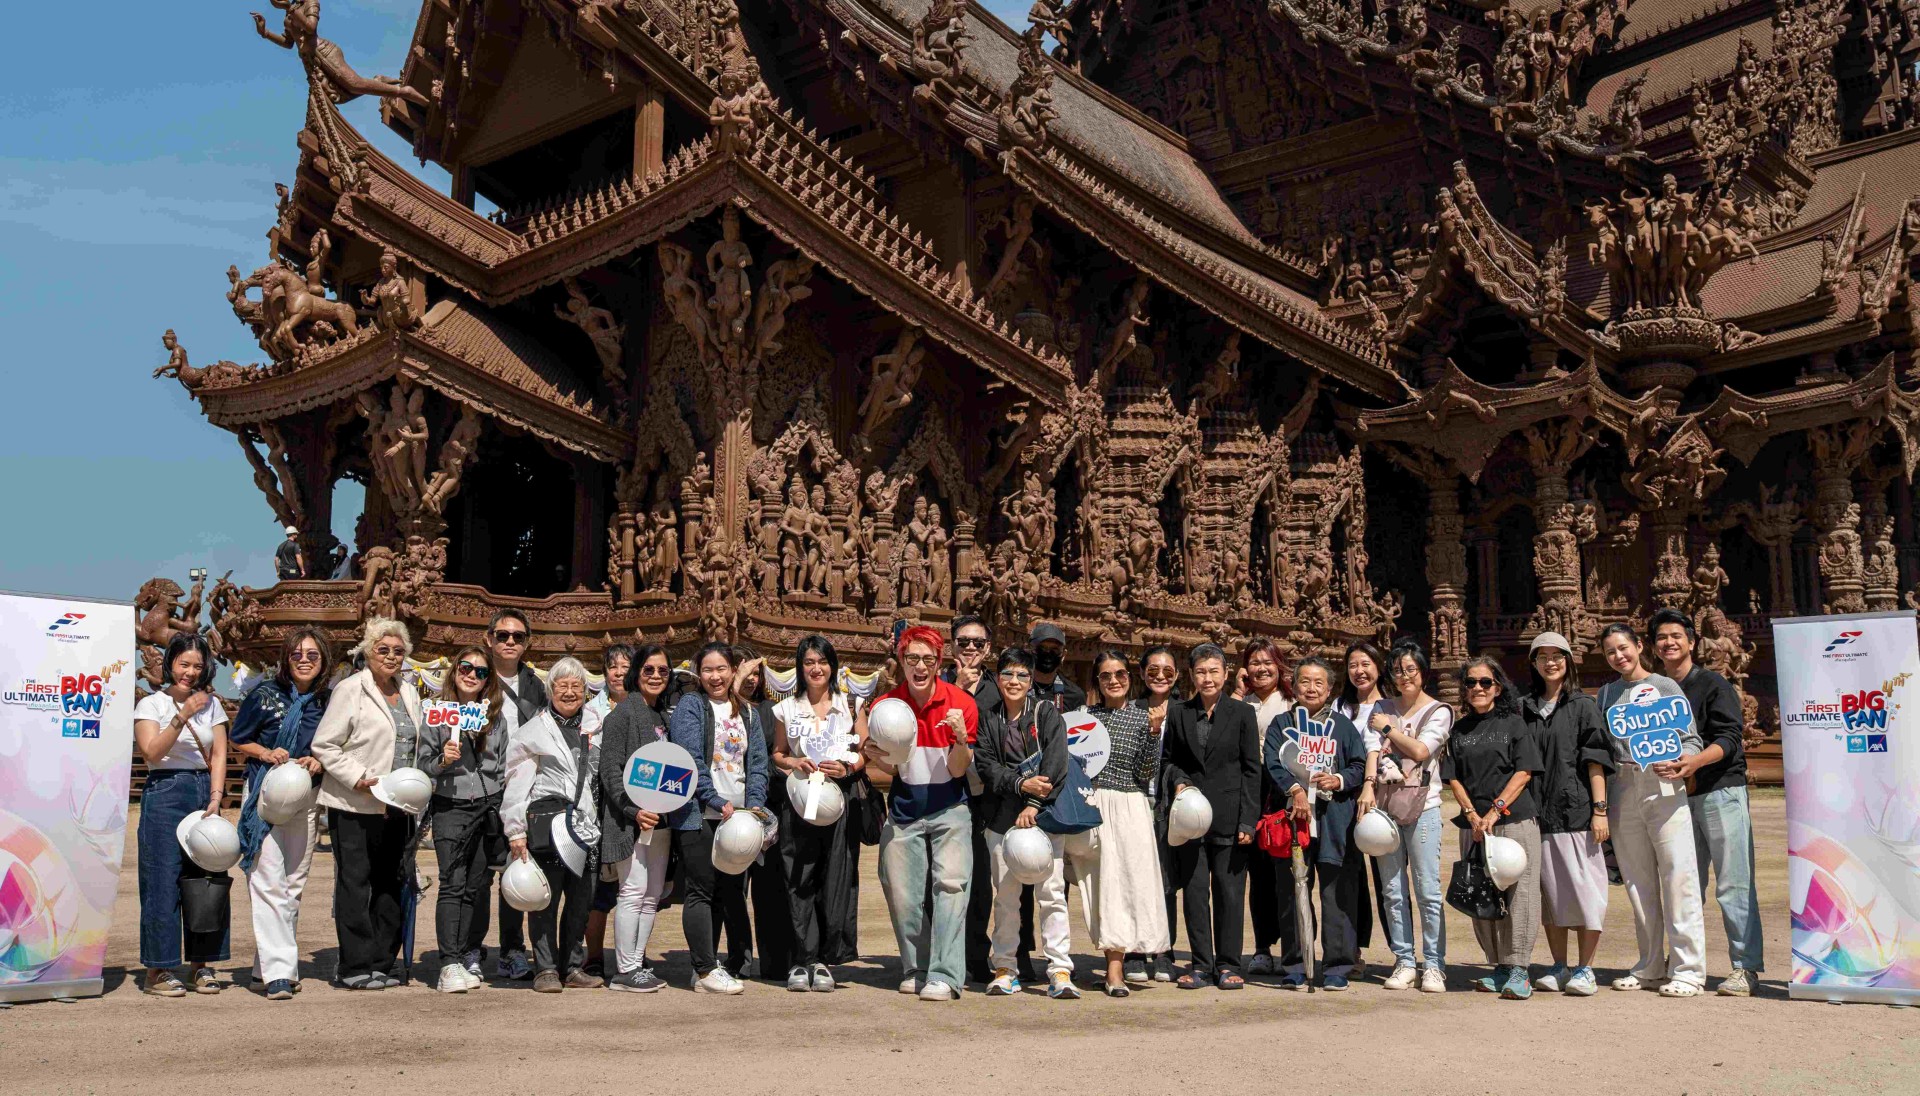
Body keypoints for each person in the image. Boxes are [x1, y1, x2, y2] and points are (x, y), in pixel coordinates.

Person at [311, 617, 438, 990]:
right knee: (355, 882)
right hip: (355, 802)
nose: (391, 656)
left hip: (399, 804)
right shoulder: (350, 689)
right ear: (368, 652)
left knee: (390, 882)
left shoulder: (410, 692)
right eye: (383, 649)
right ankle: (354, 966)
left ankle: (382, 961)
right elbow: (324, 744)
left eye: (399, 651)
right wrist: (357, 777)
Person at [1649, 607, 1762, 996]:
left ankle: (1745, 967)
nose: (1669, 643)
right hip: (1677, 798)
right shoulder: (1656, 691)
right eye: (1661, 638)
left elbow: (1730, 738)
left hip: (1720, 791)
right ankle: (1685, 962)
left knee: (1733, 883)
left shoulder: (1713, 684)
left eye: (1676, 636)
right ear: (1653, 647)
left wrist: (1693, 762)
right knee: (1684, 883)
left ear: (1691, 641)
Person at [864, 625, 977, 1001]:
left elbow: (958, 770)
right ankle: (917, 967)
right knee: (901, 891)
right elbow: (893, 769)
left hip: (950, 806)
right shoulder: (886, 707)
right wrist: (877, 756)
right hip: (905, 808)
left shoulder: (961, 703)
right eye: (912, 658)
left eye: (929, 659)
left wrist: (959, 738)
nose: (920, 666)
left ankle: (945, 975)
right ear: (901, 660)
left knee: (951, 888)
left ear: (940, 662)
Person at [1597, 622, 1708, 997]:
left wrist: (1682, 760)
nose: (1619, 656)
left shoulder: (1665, 687)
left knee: (1678, 874)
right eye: (1611, 652)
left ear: (1639, 646)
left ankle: (1688, 970)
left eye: (1623, 648)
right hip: (1623, 784)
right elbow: (1604, 746)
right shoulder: (1607, 694)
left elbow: (1690, 738)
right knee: (1636, 879)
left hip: (1664, 782)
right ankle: (1650, 965)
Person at [229, 629, 331, 1001]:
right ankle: (280, 974)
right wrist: (265, 752)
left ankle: (265, 969)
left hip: (306, 796)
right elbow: (239, 737)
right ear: (286, 659)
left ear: (323, 660)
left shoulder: (328, 701)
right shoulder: (264, 695)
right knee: (267, 879)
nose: (304, 660)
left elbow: (337, 743)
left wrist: (319, 760)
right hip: (266, 793)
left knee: (293, 884)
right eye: (296, 654)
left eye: (312, 655)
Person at [666, 642, 770, 994]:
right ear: (699, 673)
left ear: (732, 670)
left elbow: (758, 763)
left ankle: (707, 964)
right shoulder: (691, 706)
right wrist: (713, 798)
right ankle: (705, 970)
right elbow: (689, 759)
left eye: (721, 669)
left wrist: (754, 805)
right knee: (700, 889)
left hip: (738, 819)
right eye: (707, 669)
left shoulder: (747, 712)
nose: (715, 676)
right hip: (700, 814)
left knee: (727, 891)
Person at [973, 647, 1077, 998]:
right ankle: (1005, 967)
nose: (1014, 681)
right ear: (998, 678)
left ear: (1031, 681)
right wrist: (1020, 784)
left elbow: (1057, 762)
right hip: (1001, 819)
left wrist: (1033, 803)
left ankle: (1059, 969)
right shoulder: (989, 718)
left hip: (1044, 816)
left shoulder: (1046, 713)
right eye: (1008, 674)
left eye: (1022, 675)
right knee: (1006, 897)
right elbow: (987, 766)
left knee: (1052, 894)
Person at [133, 633, 231, 997]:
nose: (190, 672)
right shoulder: (151, 704)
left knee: (206, 878)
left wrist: (216, 798)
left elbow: (219, 753)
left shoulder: (213, 705)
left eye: (197, 666)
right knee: (161, 880)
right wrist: (183, 714)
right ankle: (158, 969)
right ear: (170, 663)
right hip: (165, 790)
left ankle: (201, 965)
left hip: (203, 790)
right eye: (183, 664)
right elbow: (152, 753)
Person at [1442, 655, 1544, 1000]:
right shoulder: (1459, 730)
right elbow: (1453, 777)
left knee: (1520, 893)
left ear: (1498, 688)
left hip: (1514, 820)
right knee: (1481, 891)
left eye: (1485, 682)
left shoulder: (1513, 724)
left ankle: (1519, 968)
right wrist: (1472, 814)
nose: (1478, 688)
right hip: (1474, 825)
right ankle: (1499, 966)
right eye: (1471, 682)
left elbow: (1524, 772)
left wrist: (1495, 811)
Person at [770, 635, 867, 992]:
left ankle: (825, 959)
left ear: (833, 666)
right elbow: (778, 753)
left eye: (822, 661)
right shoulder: (786, 708)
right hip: (800, 799)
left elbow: (864, 751)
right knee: (800, 876)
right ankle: (802, 959)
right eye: (809, 662)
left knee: (835, 877)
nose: (816, 668)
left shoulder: (850, 703)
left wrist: (848, 767)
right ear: (800, 667)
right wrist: (793, 762)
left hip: (839, 800)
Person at [1162, 643, 1260, 990]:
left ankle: (1229, 964)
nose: (1208, 678)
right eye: (1201, 671)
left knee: (1229, 893)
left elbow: (1252, 770)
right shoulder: (1179, 713)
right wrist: (1180, 781)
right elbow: (1169, 760)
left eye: (1214, 671)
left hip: (1230, 818)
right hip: (1190, 817)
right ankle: (1202, 964)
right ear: (1191, 675)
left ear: (1226, 673)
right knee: (1194, 892)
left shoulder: (1242, 713)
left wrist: (1248, 821)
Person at [502, 658, 602, 992]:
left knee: (581, 900)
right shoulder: (533, 732)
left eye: (577, 686)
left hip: (585, 827)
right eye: (563, 686)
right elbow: (517, 784)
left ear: (586, 691)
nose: (570, 692)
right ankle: (545, 968)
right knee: (545, 897)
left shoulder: (596, 726)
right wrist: (515, 830)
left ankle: (571, 966)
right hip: (549, 826)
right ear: (550, 690)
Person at [1522, 631, 1612, 998]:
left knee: (1586, 891)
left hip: (1575, 812)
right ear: (1533, 663)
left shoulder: (1583, 705)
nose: (1550, 662)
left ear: (1568, 660)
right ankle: (1559, 966)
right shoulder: (1524, 707)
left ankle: (1585, 968)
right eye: (1542, 656)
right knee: (1551, 895)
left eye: (1557, 655)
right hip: (1536, 815)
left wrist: (1600, 810)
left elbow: (1596, 759)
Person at [1268, 657, 1366, 991]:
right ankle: (1297, 963)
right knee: (1291, 890)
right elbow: (1273, 762)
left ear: (1329, 689)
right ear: (1294, 686)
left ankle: (1338, 965)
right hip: (1293, 819)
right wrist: (1295, 789)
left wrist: (1338, 779)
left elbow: (1358, 764)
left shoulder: (1342, 726)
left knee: (1337, 892)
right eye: (1305, 682)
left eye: (1318, 682)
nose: (1311, 688)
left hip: (1334, 819)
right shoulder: (1282, 724)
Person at [1080, 649, 1170, 997]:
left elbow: (1145, 773)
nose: (1114, 681)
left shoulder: (1143, 717)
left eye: (1120, 674)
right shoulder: (1085, 717)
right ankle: (1111, 969)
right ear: (1097, 681)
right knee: (1102, 886)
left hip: (1131, 805)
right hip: (1094, 804)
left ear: (1129, 679)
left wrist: (1154, 731)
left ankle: (1116, 968)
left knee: (1130, 884)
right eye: (1106, 675)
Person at [1368, 640, 1453, 994]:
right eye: (1397, 671)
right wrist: (1368, 785)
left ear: (1423, 672)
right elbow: (1372, 750)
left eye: (1410, 669)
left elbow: (1420, 751)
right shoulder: (1382, 706)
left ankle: (1433, 964)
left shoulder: (1438, 711)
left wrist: (1388, 729)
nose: (1404, 677)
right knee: (1392, 890)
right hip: (1384, 808)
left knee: (1427, 889)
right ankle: (1404, 961)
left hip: (1424, 807)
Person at [426, 644, 508, 992]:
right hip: (451, 804)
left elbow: (501, 766)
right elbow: (422, 765)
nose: (472, 675)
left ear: (488, 680)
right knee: (452, 883)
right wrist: (444, 759)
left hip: (487, 806)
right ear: (455, 670)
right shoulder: (437, 712)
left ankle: (465, 956)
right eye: (466, 667)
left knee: (476, 885)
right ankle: (448, 964)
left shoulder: (496, 718)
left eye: (481, 671)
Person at [596, 644, 678, 992]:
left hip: (660, 819)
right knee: (632, 890)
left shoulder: (663, 717)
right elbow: (610, 771)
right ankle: (624, 969)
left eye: (663, 670)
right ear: (636, 673)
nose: (656, 676)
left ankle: (637, 962)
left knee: (652, 893)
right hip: (629, 820)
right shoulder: (622, 715)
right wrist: (633, 810)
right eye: (649, 670)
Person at [944, 614, 1006, 984]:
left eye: (978, 643)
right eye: (963, 641)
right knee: (945, 878)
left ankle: (977, 954)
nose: (970, 648)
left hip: (985, 795)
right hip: (944, 791)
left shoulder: (998, 689)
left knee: (981, 880)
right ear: (951, 644)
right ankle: (944, 955)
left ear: (988, 648)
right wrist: (959, 689)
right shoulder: (937, 683)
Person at [487, 609, 545, 980]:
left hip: (522, 786)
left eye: (518, 636)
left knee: (517, 865)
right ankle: (469, 949)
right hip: (482, 784)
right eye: (503, 635)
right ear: (489, 638)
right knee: (478, 875)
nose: (510, 641)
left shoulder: (534, 684)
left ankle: (511, 951)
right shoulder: (475, 674)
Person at [731, 651, 794, 980]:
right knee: (733, 889)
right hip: (729, 808)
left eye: (757, 673)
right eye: (745, 672)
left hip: (769, 809)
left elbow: (780, 756)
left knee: (770, 890)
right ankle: (737, 961)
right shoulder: (722, 711)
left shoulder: (772, 711)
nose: (751, 679)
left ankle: (776, 963)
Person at [1237, 639, 1292, 977]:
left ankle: (1292, 947)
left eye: (1267, 662)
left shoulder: (1290, 703)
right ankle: (1262, 948)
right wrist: (1236, 692)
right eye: (1254, 662)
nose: (1261, 669)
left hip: (1282, 790)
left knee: (1286, 872)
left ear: (1279, 665)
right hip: (1250, 792)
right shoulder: (1240, 703)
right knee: (1258, 875)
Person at [582, 644, 635, 978]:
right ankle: (594, 956)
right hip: (599, 803)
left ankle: (633, 958)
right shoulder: (590, 710)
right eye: (613, 667)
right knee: (598, 887)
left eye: (625, 667)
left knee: (636, 887)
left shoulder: (645, 707)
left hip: (636, 803)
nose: (618, 673)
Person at [1335, 640, 1386, 974]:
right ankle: (1351, 950)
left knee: (1388, 880)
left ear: (1378, 666)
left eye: (1366, 663)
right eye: (1353, 665)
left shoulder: (1391, 705)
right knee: (1348, 876)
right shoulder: (1340, 707)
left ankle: (1403, 954)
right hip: (1345, 797)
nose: (1359, 671)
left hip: (1384, 797)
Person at [1132, 644, 1183, 983]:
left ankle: (1164, 951)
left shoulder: (1183, 711)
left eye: (1167, 671)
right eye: (1153, 670)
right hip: (1135, 801)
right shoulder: (1131, 709)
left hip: (1168, 804)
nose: (1160, 676)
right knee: (1134, 878)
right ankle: (1135, 951)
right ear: (1142, 674)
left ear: (1176, 675)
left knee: (1166, 881)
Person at [1028, 621, 1087, 711]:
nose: (1047, 653)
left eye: (1054, 650)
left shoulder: (1074, 695)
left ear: (1063, 655)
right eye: (1041, 649)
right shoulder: (1017, 685)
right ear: (1029, 650)